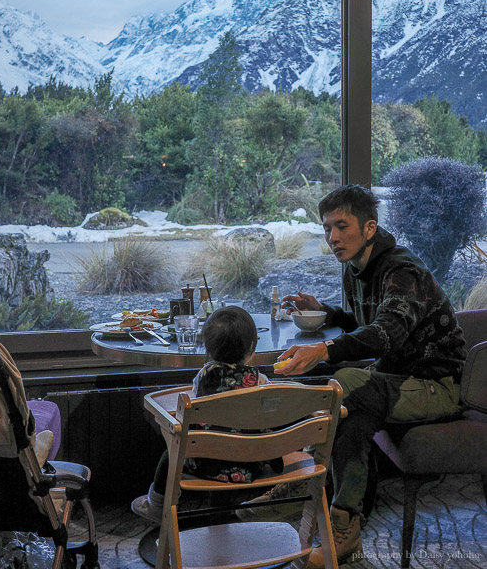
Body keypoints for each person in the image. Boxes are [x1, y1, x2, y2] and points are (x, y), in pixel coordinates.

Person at [271, 184, 466, 568]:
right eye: (327, 228)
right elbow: (360, 324)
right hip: (393, 378)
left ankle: (301, 478)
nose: (333, 237)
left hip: (436, 385)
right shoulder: (355, 269)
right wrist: (325, 311)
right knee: (353, 416)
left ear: (370, 228)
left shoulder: (401, 271)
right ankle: (345, 527)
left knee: (344, 380)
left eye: (341, 226)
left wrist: (323, 349)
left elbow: (386, 333)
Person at [131, 305, 282, 523]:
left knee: (172, 451)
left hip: (207, 463)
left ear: (208, 349)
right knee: (236, 443)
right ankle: (220, 518)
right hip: (250, 463)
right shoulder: (260, 382)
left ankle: (157, 505)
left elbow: (193, 413)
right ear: (251, 348)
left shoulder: (203, 377)